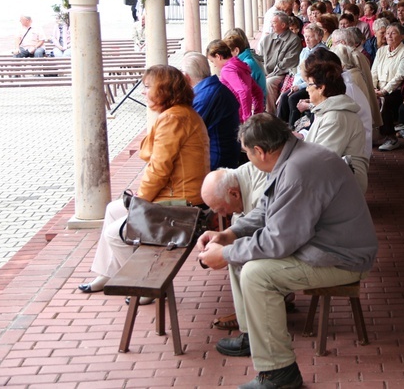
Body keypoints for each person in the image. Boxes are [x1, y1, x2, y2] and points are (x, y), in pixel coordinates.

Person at [197, 114, 378, 389]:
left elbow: (278, 241)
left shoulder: (298, 171)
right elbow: (267, 210)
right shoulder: (294, 156)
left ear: (260, 151)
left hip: (341, 258)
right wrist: (229, 234)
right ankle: (253, 336)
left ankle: (279, 373)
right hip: (324, 247)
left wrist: (224, 253)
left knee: (256, 274)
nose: (248, 159)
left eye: (247, 153)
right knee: (239, 255)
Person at [78, 65, 210, 297]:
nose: (143, 92)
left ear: (165, 90)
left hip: (181, 203)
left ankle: (145, 283)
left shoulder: (173, 118)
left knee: (113, 233)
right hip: (178, 196)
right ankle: (108, 274)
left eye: (148, 87)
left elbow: (159, 168)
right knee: (112, 209)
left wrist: (142, 200)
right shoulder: (177, 113)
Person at [299, 58, 370, 192]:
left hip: (344, 186)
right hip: (336, 179)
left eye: (309, 84)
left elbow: (321, 159)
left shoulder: (336, 117)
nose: (307, 89)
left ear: (321, 88)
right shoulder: (329, 111)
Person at [181, 52, 241, 170]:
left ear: (186, 77)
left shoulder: (206, 96)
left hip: (217, 162)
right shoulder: (213, 88)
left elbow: (185, 132)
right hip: (226, 156)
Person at [372, 23, 404, 151]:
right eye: (387, 32)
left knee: (388, 104)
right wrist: (373, 88)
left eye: (393, 33)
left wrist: (384, 91)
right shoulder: (381, 51)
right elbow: (373, 72)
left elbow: (400, 76)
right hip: (379, 88)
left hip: (396, 90)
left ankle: (392, 138)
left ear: (401, 36)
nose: (389, 35)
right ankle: (374, 135)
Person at [276, 23, 326, 126]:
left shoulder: (321, 52)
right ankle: (280, 126)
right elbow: (299, 73)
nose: (307, 39)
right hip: (300, 84)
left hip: (313, 85)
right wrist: (295, 85)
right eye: (305, 36)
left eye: (310, 37)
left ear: (319, 38)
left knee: (293, 98)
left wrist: (299, 86)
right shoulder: (304, 51)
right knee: (284, 96)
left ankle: (293, 126)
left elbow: (316, 77)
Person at [206, 40, 264, 123]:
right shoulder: (240, 66)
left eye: (212, 61)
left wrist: (247, 119)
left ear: (218, 56)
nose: (214, 65)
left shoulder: (227, 70)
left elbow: (244, 91)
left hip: (235, 118)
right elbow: (258, 92)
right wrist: (257, 113)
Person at [258, 11, 303, 113]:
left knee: (269, 83)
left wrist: (270, 74)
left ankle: (272, 114)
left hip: (283, 73)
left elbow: (287, 63)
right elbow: (260, 58)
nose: (271, 25)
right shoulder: (267, 39)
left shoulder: (294, 40)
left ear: (283, 25)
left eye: (274, 22)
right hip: (267, 71)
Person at [224, 28, 267, 98]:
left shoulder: (246, 64)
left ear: (236, 50)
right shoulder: (248, 58)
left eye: (227, 49)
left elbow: (244, 93)